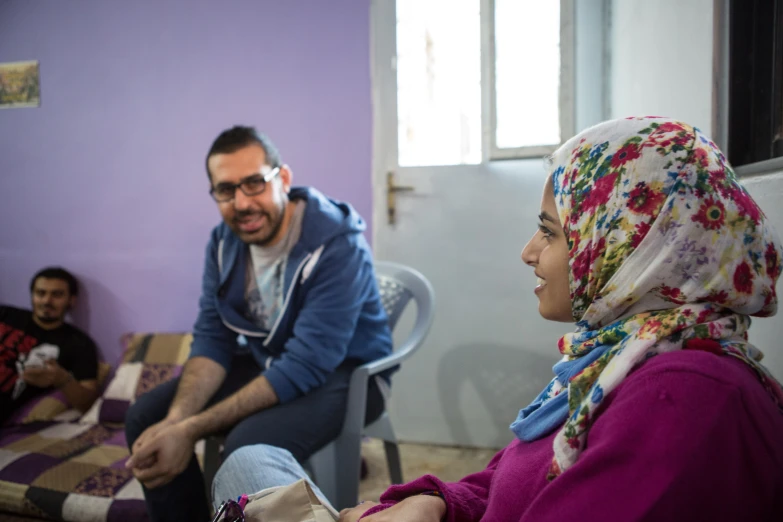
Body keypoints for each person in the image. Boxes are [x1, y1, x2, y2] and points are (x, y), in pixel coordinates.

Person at [213, 117, 783, 521]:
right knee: (248, 461)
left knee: (246, 461)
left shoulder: (684, 400)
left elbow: (310, 361)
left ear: (633, 245)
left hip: (336, 384)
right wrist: (436, 501)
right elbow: (519, 478)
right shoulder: (625, 355)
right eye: (224, 190)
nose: (529, 252)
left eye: (552, 232)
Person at [124, 126, 393, 522]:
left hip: (349, 374)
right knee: (147, 418)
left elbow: (307, 363)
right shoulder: (223, 243)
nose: (242, 202)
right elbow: (212, 338)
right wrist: (176, 421)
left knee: (245, 444)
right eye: (226, 190)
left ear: (282, 179)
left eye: (254, 183)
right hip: (273, 359)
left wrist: (191, 429)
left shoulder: (338, 244)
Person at [0, 267, 100, 424]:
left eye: (57, 295)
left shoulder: (78, 344)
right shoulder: (5, 314)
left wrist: (62, 379)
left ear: (71, 300)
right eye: (40, 293)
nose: (47, 301)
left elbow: (88, 405)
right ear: (32, 296)